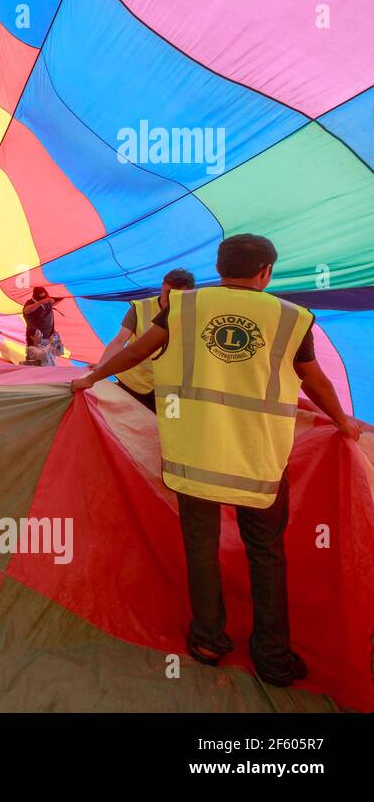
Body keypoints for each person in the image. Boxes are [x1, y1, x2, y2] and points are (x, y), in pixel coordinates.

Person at [70, 234, 363, 688]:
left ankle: (207, 640)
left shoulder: (185, 307)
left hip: (194, 456)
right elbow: (315, 381)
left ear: (220, 267)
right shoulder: (292, 317)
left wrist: (92, 376)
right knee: (266, 554)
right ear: (265, 272)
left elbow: (138, 350)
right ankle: (273, 658)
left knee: (200, 549)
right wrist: (343, 421)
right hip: (259, 460)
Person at [97, 269, 196, 411]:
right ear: (163, 286)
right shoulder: (140, 308)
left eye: (178, 295)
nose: (171, 298)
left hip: (168, 388)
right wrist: (101, 364)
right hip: (132, 383)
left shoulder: (193, 313)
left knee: (164, 428)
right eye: (168, 292)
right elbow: (119, 341)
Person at [22, 286, 65, 359]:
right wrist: (41, 302)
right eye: (42, 299)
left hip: (50, 338)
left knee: (51, 359)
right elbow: (26, 311)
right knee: (36, 363)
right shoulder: (30, 303)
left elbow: (62, 296)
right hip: (37, 341)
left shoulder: (48, 302)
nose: (45, 300)